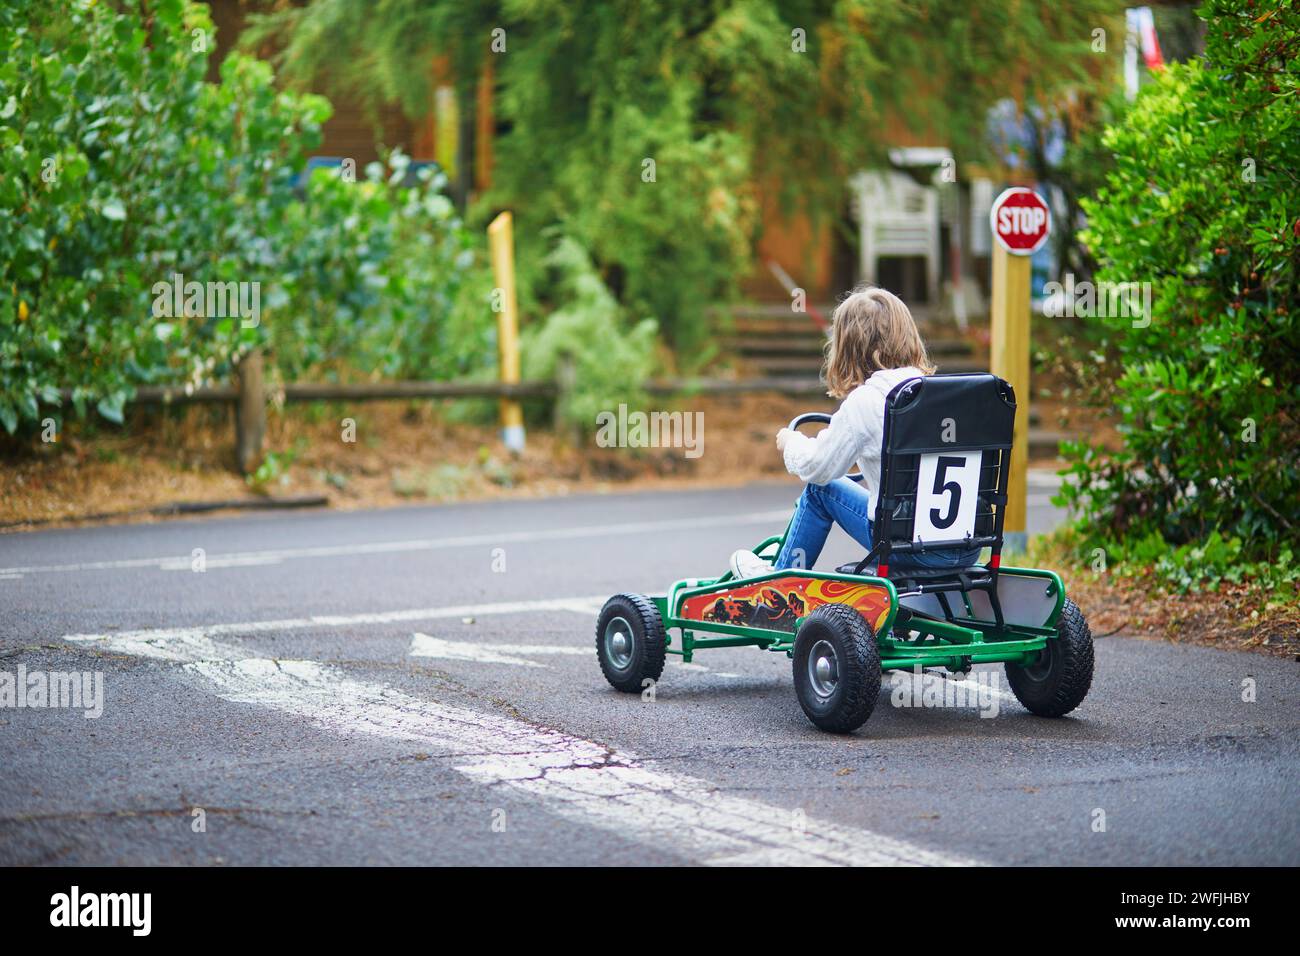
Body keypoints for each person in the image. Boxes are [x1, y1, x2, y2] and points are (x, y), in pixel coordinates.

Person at [729, 286, 981, 578]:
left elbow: (817, 467)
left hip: (908, 547)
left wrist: (792, 442)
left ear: (849, 347)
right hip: (967, 545)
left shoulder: (867, 402)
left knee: (822, 490)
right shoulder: (944, 395)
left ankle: (781, 580)